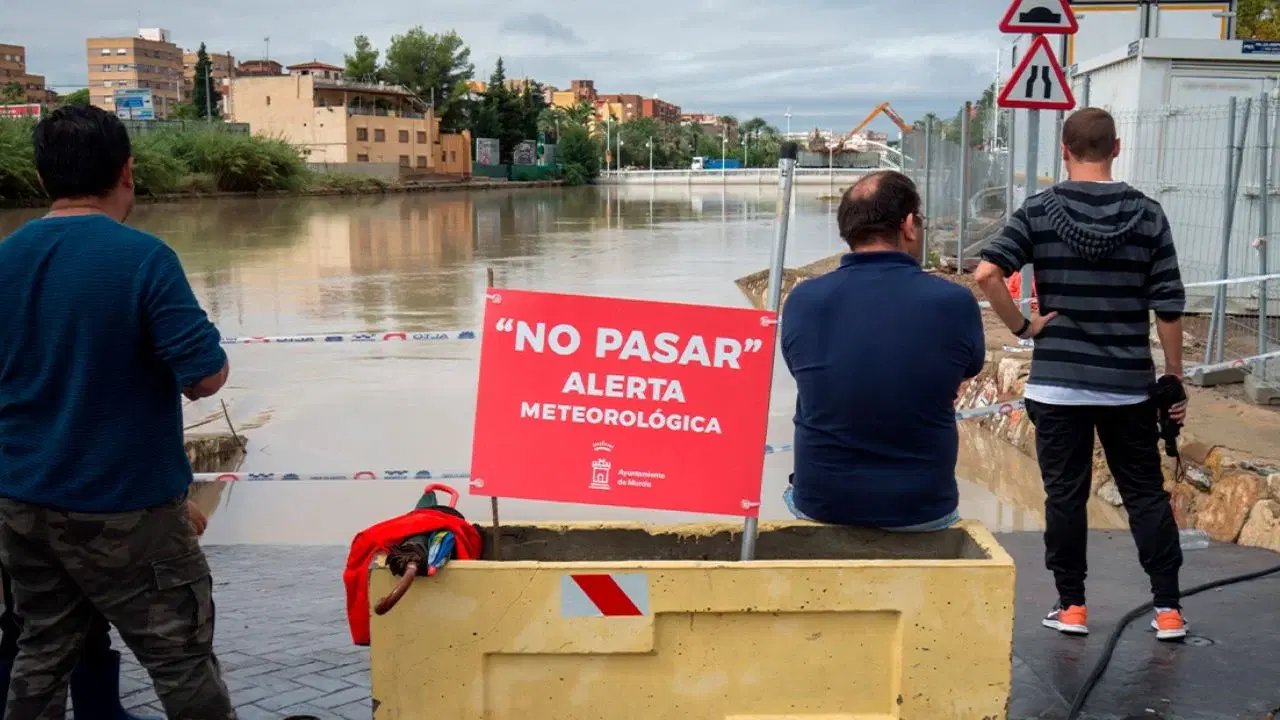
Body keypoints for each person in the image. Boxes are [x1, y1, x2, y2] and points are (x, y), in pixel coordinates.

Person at [0, 105, 236, 718]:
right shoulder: (143, 259)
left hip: (22, 503)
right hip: (128, 511)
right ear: (127, 172)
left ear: (43, 178)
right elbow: (205, 376)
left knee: (42, 651)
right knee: (182, 662)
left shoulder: (6, 259)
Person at [975, 107, 1189, 642]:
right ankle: (1168, 611)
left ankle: (1072, 607)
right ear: (1116, 147)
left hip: (1057, 385)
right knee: (1145, 494)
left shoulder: (1039, 211)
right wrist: (1175, 378)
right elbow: (1167, 307)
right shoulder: (1149, 215)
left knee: (1065, 496)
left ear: (1064, 151)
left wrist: (1024, 327)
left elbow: (986, 273)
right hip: (1127, 386)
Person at [780, 171, 985, 530]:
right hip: (921, 507)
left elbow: (809, 376)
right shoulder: (954, 302)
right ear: (908, 225)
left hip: (823, 501)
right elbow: (965, 372)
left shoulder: (802, 300)